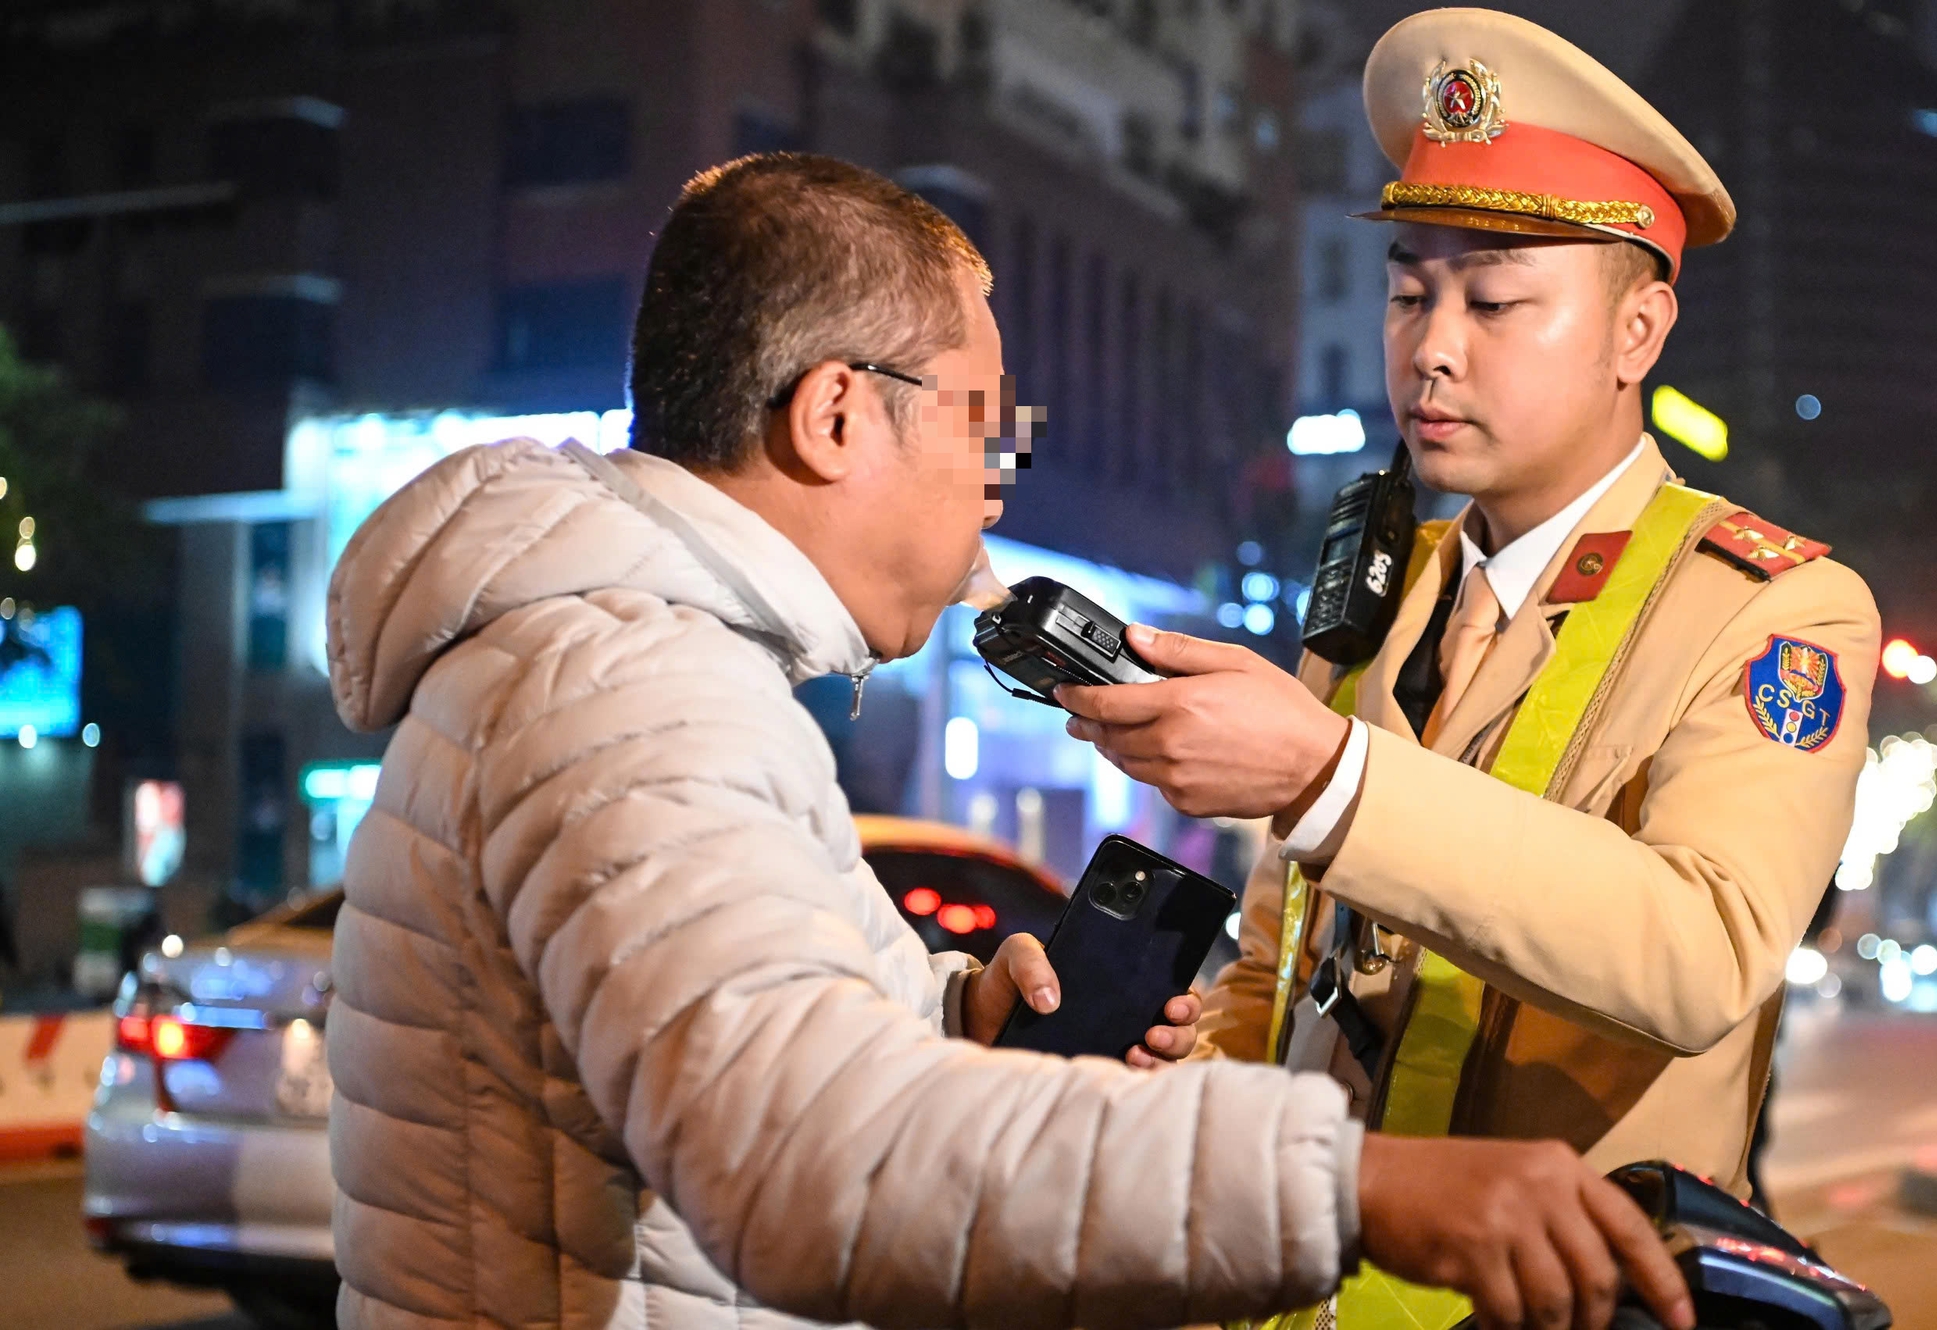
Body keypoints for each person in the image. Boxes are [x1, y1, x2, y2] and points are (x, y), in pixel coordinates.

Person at [324, 153, 1692, 1330]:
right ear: (838, 413)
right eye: (988, 427)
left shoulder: (650, 666)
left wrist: (952, 1016)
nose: (998, 480)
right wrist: (1350, 1181)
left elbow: (731, 1048)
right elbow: (809, 1156)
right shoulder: (633, 690)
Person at [1060, 11, 1879, 1327]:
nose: (1432, 346)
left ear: (1639, 331)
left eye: (1494, 299)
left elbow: (1703, 949)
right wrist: (1176, 1059)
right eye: (1406, 290)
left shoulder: (1779, 610)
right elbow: (1286, 967)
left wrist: (1333, 780)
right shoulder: (1378, 592)